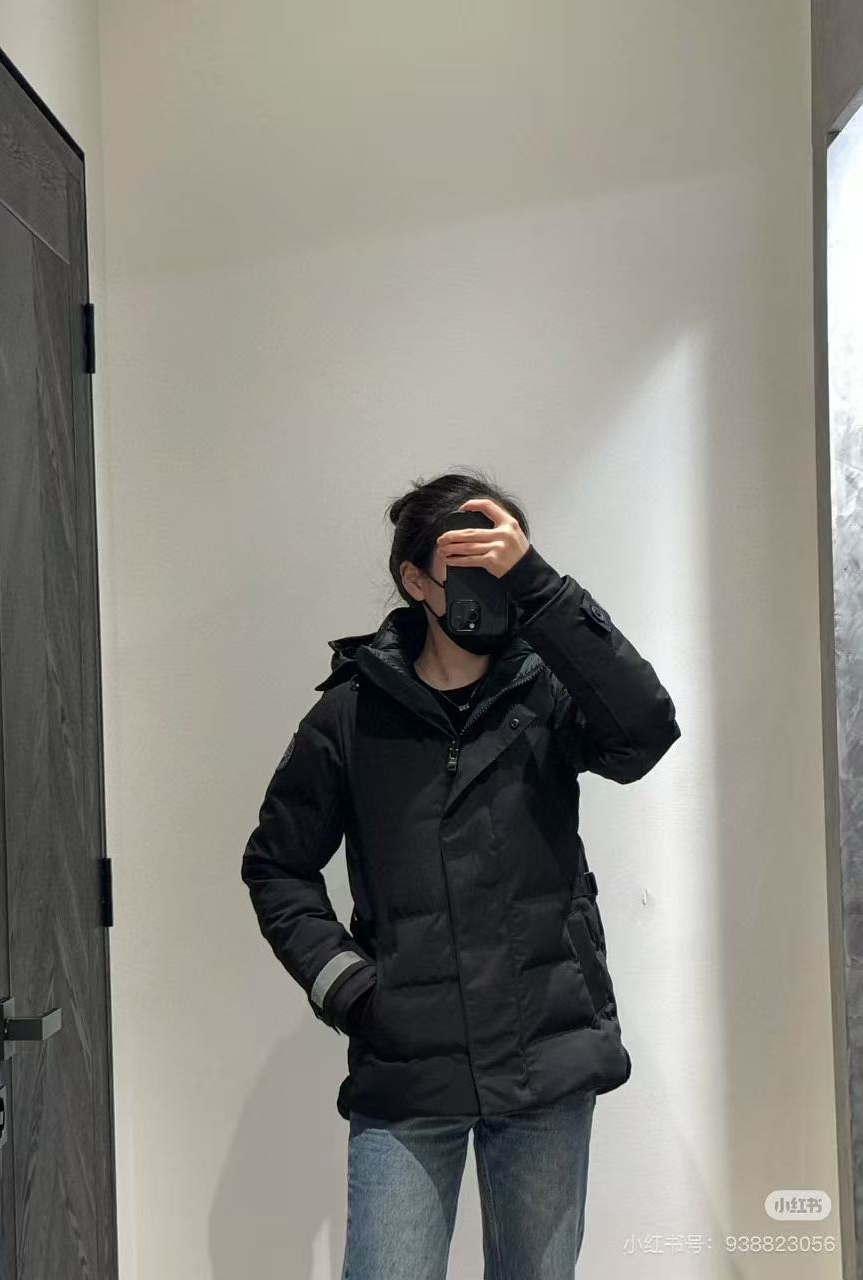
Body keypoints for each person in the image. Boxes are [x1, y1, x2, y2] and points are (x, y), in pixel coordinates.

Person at [241, 469, 681, 1278]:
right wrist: (351, 989)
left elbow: (645, 734)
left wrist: (543, 590)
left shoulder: (549, 690)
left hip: (547, 1055)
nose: (493, 585)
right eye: (470, 566)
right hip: (409, 1068)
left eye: (506, 561)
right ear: (417, 581)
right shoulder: (351, 716)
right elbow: (277, 867)